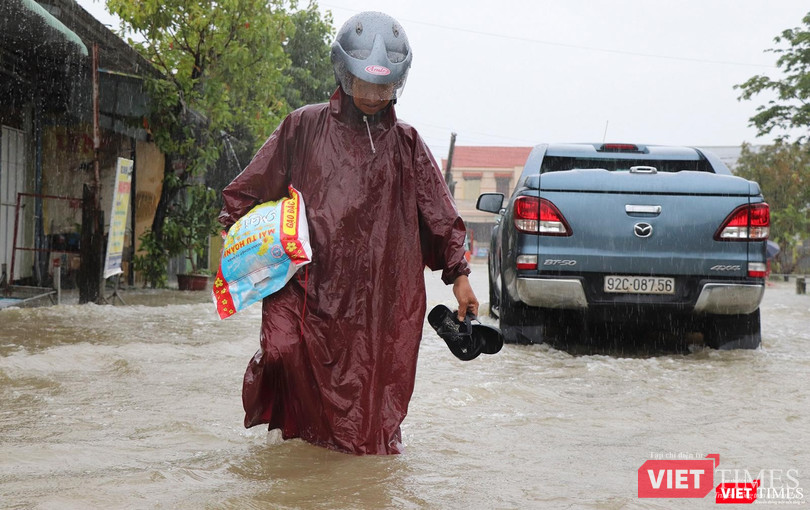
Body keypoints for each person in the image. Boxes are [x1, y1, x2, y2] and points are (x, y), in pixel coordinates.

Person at [218, 11, 478, 455]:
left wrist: (460, 278)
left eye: (385, 86)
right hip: (308, 289)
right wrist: (240, 246)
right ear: (344, 73)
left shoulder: (408, 144)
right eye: (367, 84)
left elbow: (440, 216)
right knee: (283, 357)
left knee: (369, 411)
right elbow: (247, 190)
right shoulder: (303, 126)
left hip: (380, 303)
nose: (376, 95)